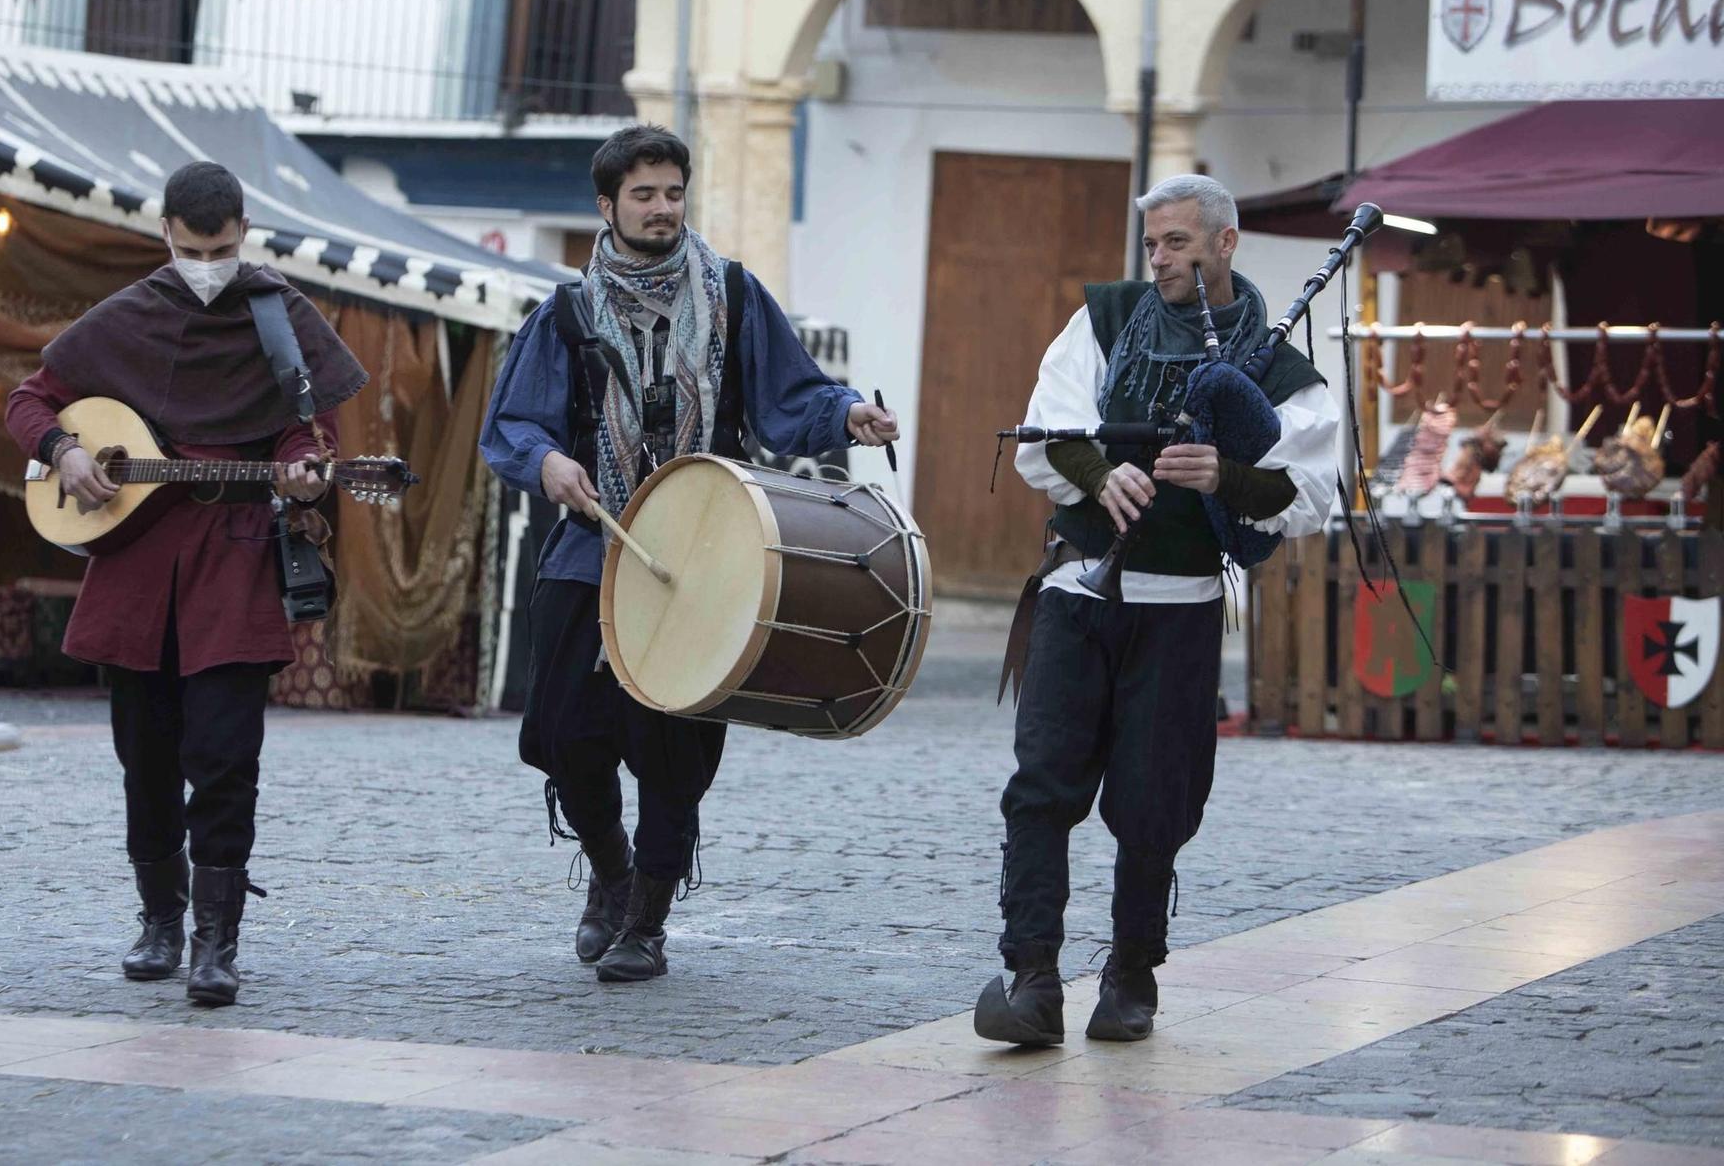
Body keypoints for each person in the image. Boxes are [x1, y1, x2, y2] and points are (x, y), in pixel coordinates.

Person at [479, 124, 899, 982]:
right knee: (557, 735)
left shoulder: (734, 295)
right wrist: (549, 461)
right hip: (595, 544)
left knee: (672, 749)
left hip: (710, 548)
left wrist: (847, 414)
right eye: (645, 194)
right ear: (608, 206)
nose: (664, 208)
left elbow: (795, 393)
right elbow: (514, 425)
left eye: (674, 192)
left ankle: (647, 918)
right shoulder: (565, 313)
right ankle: (610, 871)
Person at [975, 174, 1340, 1046]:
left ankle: (1131, 974)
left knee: (1154, 800)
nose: (1160, 258)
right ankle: (1032, 977)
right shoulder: (1103, 319)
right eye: (1152, 243)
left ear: (1225, 243)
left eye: (1177, 241)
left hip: (1179, 607)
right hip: (1076, 592)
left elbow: (1312, 492)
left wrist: (1226, 477)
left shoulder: (1283, 371)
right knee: (1041, 787)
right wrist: (1105, 474)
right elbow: (1047, 430)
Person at [6, 162, 365, 1007]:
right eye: (195, 247)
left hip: (233, 550)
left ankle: (216, 941)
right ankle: (160, 919)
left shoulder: (282, 316)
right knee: (145, 756)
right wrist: (64, 449)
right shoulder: (129, 313)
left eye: (225, 247)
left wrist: (302, 473)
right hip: (134, 560)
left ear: (246, 232)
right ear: (166, 233)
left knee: (226, 753)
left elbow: (305, 431)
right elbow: (29, 398)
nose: (210, 262)